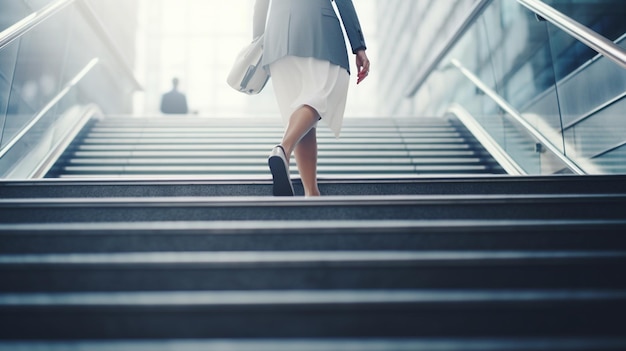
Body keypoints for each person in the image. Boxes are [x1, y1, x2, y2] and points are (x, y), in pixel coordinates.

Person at [254, 0, 370, 197]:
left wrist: (257, 42)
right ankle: (283, 149)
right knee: (321, 95)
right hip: (319, 30)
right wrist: (358, 47)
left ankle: (311, 191)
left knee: (302, 113)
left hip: (277, 39)